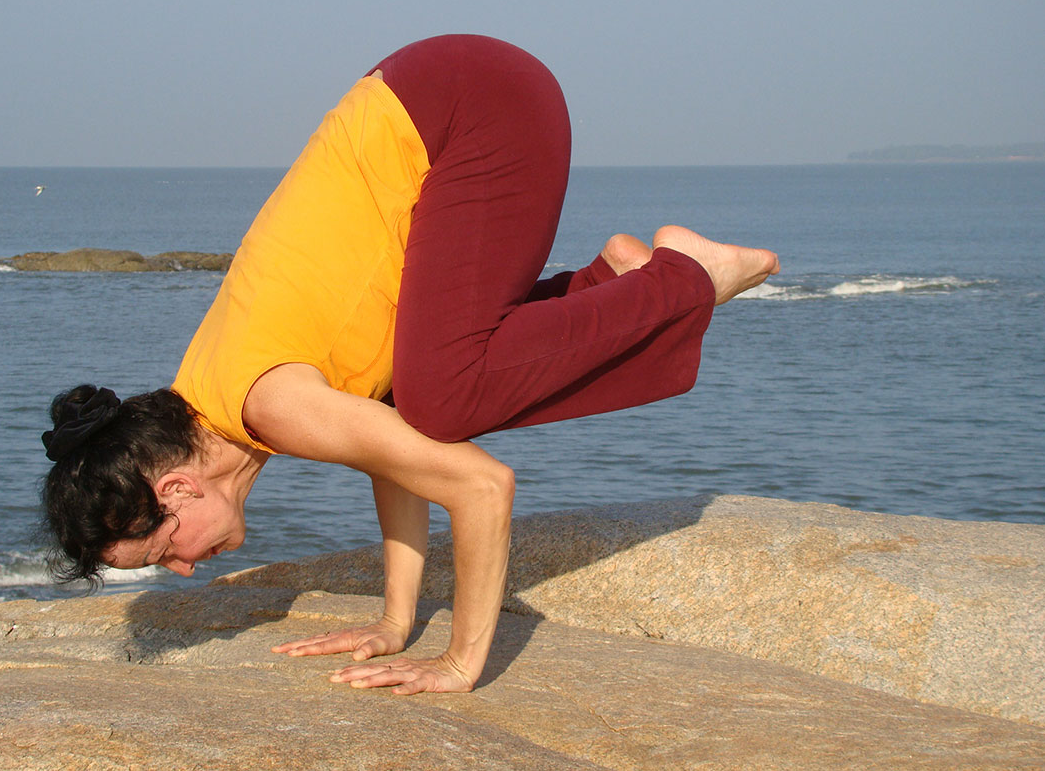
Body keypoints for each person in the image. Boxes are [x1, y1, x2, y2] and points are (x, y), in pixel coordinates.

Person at [41, 34, 778, 695]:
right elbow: (394, 450)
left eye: (163, 550)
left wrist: (459, 662)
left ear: (176, 487)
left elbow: (481, 486)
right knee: (424, 392)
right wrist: (395, 623)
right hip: (446, 93)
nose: (184, 569)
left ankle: (688, 275)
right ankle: (613, 287)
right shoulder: (216, 400)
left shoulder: (267, 405)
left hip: (473, 106)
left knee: (445, 399)